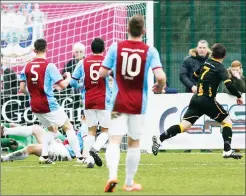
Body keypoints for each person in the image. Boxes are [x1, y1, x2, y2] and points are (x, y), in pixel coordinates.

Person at [99, 14, 166, 192]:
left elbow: (102, 73)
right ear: (143, 31)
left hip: (118, 102)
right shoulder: (150, 50)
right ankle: (129, 183)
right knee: (134, 142)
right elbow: (160, 76)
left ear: (127, 29)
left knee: (114, 140)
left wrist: (115, 72)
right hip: (138, 103)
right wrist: (160, 87)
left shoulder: (116, 47)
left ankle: (112, 174)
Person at [152, 43, 243, 160]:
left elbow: (195, 76)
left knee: (183, 126)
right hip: (207, 100)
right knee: (227, 122)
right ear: (224, 56)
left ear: (212, 53)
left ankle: (159, 139)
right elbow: (229, 85)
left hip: (195, 99)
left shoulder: (206, 63)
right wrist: (238, 95)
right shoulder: (220, 68)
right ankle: (227, 151)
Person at [19, 38, 84, 164]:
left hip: (34, 105)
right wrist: (69, 77)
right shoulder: (49, 66)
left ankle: (44, 156)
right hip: (48, 104)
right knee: (68, 127)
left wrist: (31, 96)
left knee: (52, 129)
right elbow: (63, 85)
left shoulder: (26, 66)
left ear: (34, 50)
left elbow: (22, 88)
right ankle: (80, 157)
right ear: (47, 49)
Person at [70, 38, 110, 167]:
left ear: (91, 49)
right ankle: (96, 149)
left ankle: (89, 159)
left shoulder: (83, 62)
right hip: (104, 100)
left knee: (91, 130)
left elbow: (72, 82)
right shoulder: (106, 61)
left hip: (88, 99)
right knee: (105, 130)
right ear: (103, 49)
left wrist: (82, 85)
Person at [180, 40, 212, 153]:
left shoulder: (212, 61)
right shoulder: (188, 60)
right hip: (190, 93)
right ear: (196, 48)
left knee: (206, 119)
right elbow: (183, 75)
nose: (202, 49)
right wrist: (192, 86)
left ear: (207, 49)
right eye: (200, 47)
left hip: (207, 95)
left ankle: (205, 145)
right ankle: (187, 145)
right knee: (189, 118)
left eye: (204, 47)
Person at [1, 123, 84, 162]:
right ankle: (6, 131)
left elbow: (84, 149)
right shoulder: (84, 128)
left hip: (65, 153)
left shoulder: (86, 130)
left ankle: (4, 158)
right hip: (59, 145)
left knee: (31, 147)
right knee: (36, 129)